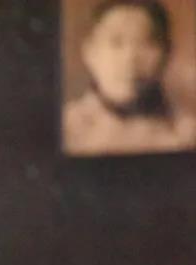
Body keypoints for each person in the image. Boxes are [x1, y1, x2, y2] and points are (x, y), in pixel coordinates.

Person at [63, 0, 196, 155]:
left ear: (167, 53)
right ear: (90, 53)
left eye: (145, 43)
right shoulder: (66, 129)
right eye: (116, 42)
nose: (130, 58)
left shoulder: (187, 133)